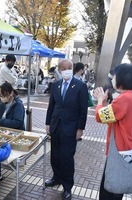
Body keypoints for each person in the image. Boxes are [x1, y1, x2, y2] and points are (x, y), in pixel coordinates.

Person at [93, 63, 132, 200]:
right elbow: (114, 115)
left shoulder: (124, 98)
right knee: (115, 190)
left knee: (110, 190)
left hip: (119, 151)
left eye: (114, 76)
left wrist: (100, 101)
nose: (113, 79)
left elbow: (100, 116)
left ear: (122, 78)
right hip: (125, 149)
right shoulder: (131, 96)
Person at [45, 59, 88, 200]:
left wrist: (80, 128)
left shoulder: (80, 86)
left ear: (73, 67)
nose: (67, 70)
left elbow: (83, 110)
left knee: (66, 158)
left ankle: (67, 187)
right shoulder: (56, 85)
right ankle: (56, 177)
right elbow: (52, 106)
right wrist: (47, 123)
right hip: (56, 126)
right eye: (63, 68)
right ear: (59, 70)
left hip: (71, 128)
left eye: (69, 67)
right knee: (55, 156)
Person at [0, 82, 25, 184]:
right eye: (0, 96)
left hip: (13, 134)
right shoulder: (2, 103)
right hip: (1, 132)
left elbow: (17, 123)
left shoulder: (18, 105)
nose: (1, 98)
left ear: (11, 94)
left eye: (3, 96)